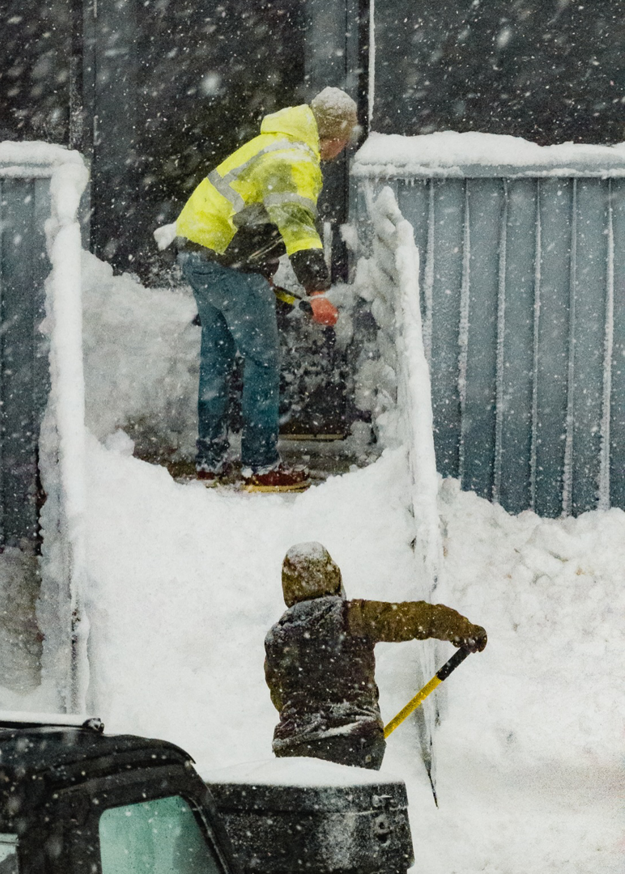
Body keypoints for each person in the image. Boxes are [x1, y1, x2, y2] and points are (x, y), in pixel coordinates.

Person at [155, 88, 358, 492]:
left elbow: (255, 217)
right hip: (227, 265)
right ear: (334, 136)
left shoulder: (271, 144)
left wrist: (260, 267)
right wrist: (317, 291)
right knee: (262, 364)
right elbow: (297, 227)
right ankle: (261, 467)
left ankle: (209, 465)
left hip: (198, 256)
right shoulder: (294, 160)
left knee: (217, 360)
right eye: (345, 139)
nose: (343, 148)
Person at [264, 542, 487, 770]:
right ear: (333, 575)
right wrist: (462, 628)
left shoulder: (277, 637)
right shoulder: (352, 615)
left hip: (294, 749)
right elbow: (413, 618)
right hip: (354, 739)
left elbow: (279, 696)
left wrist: (308, 719)